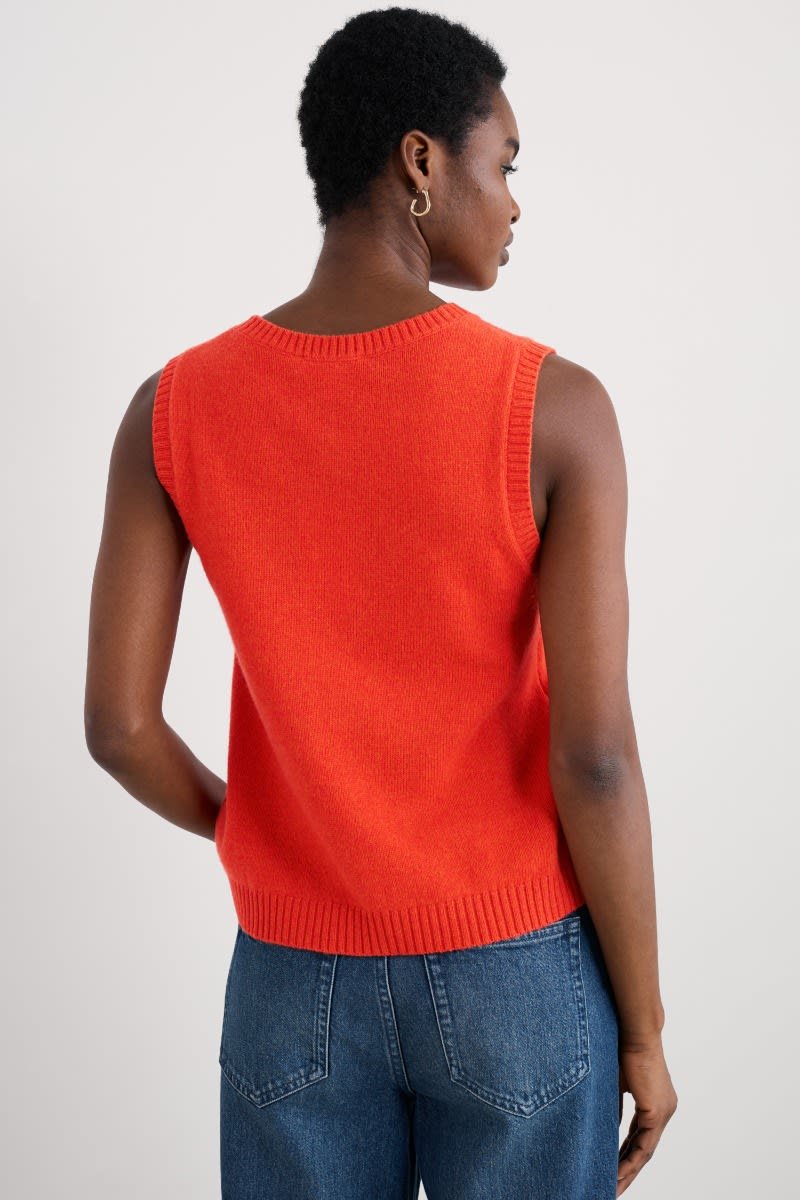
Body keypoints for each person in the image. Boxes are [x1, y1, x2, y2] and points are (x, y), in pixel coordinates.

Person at [84, 7, 677, 1198]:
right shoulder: (554, 409)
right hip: (515, 970)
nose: (513, 204)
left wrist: (261, 829)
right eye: (503, 165)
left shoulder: (172, 409)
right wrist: (645, 1029)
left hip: (288, 979)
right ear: (420, 161)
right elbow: (595, 757)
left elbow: (119, 729)